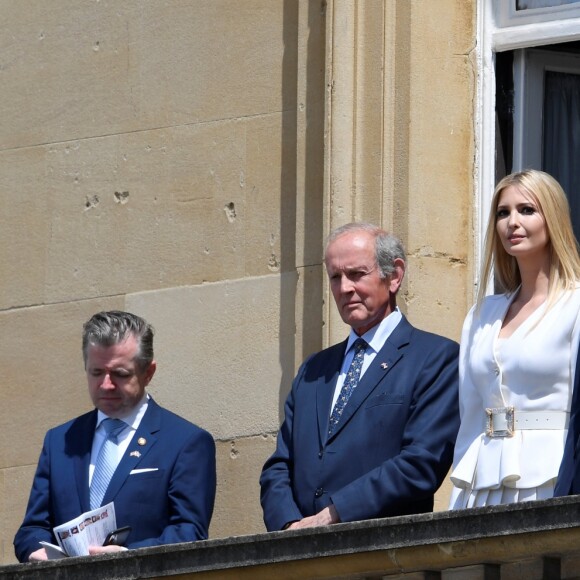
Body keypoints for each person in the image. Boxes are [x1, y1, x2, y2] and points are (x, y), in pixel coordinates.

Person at [260, 222, 460, 531]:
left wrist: (335, 513)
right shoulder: (314, 370)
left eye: (356, 274)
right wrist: (289, 526)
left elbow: (421, 463)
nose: (344, 289)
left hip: (383, 552)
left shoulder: (434, 358)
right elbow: (279, 466)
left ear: (393, 275)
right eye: (335, 277)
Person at [14, 311, 216, 562]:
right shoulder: (60, 441)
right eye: (96, 372)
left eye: (120, 374)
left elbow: (190, 532)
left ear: (148, 373)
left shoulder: (185, 442)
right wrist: (38, 552)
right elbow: (31, 530)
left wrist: (129, 557)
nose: (106, 385)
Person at [449, 169, 580, 509]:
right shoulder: (481, 315)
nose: (512, 222)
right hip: (481, 480)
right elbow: (470, 413)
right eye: (503, 213)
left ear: (552, 217)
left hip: (552, 476)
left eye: (526, 210)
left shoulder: (575, 305)